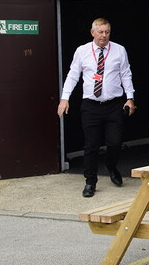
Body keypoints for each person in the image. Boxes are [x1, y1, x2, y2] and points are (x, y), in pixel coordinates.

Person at [57, 18, 136, 197]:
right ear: (92, 32)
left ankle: (111, 166)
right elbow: (73, 75)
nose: (104, 36)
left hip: (114, 104)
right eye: (100, 32)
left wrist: (130, 98)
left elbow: (125, 74)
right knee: (91, 145)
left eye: (107, 32)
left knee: (114, 142)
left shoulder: (119, 50)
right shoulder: (82, 51)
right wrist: (64, 98)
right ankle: (90, 181)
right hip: (91, 105)